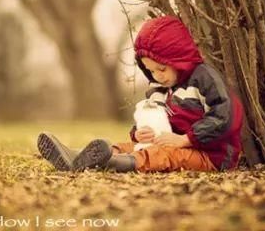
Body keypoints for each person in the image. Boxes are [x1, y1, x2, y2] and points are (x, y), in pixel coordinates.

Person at [37, 15, 244, 174]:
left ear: (179, 59)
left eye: (162, 69)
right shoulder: (161, 88)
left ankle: (109, 163)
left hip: (211, 156)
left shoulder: (204, 78)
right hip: (170, 142)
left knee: (164, 155)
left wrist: (185, 140)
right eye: (151, 71)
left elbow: (224, 116)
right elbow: (149, 116)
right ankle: (77, 155)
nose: (157, 76)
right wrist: (138, 133)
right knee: (130, 146)